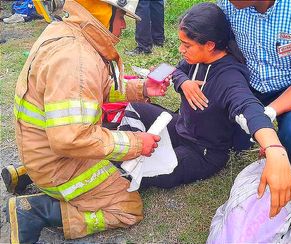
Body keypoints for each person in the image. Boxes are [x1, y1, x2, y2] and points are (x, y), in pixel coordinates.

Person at [6, 0, 169, 243]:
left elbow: (95, 89)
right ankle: (37, 211)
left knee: (109, 153)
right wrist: (136, 144)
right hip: (59, 161)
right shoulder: (77, 60)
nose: (124, 25)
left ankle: (29, 172)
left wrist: (142, 87)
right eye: (121, 16)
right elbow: (71, 138)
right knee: (128, 206)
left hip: (41, 149)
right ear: (104, 12)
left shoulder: (67, 33)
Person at [120, 3, 291, 218]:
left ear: (210, 44)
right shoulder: (195, 58)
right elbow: (176, 71)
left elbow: (249, 108)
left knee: (136, 171)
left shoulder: (229, 78)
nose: (181, 49)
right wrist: (184, 82)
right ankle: (126, 147)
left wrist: (274, 148)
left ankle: (125, 160)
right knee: (135, 108)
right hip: (181, 126)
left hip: (202, 153)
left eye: (186, 45)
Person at [218, 0, 291, 174]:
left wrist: (269, 112)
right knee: (228, 135)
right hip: (249, 85)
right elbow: (212, 45)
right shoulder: (227, 6)